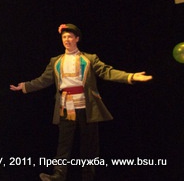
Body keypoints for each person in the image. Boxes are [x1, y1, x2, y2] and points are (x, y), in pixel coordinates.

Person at [9, 23, 152, 181]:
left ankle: (88, 176)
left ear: (77, 39)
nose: (67, 39)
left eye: (70, 36)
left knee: (89, 145)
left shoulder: (89, 59)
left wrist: (130, 76)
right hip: (66, 107)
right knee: (63, 143)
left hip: (87, 107)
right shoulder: (56, 61)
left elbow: (107, 72)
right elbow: (44, 80)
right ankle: (58, 175)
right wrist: (26, 86)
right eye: (64, 37)